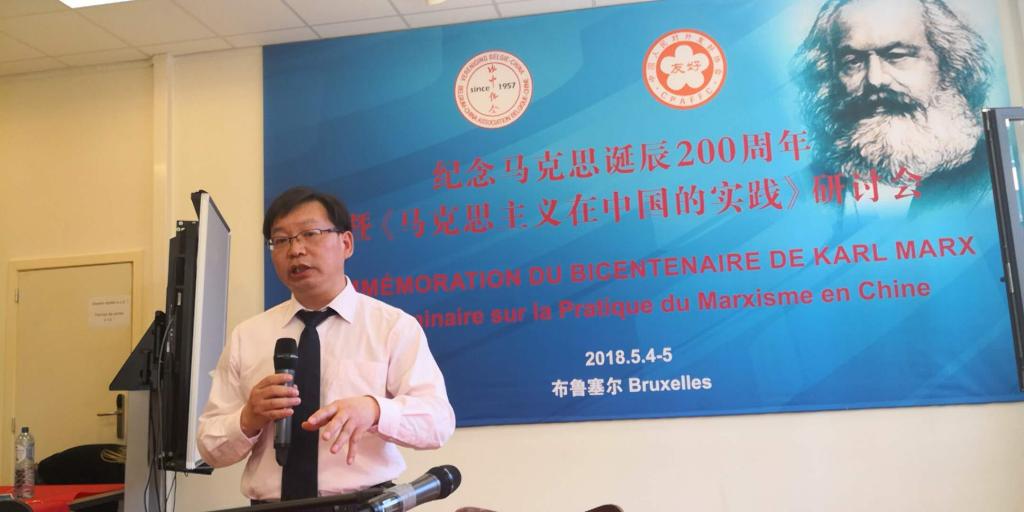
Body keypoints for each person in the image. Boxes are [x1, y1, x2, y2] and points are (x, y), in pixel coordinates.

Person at [197, 186, 455, 505]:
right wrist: (248, 418)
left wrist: (375, 409)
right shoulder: (247, 336)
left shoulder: (392, 326)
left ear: (346, 243)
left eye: (310, 234)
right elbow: (210, 447)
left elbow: (437, 423)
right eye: (281, 240)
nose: (296, 250)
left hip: (366, 505)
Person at [793, 0, 993, 216]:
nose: (875, 79)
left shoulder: (990, 178)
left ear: (948, 66)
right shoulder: (801, 191)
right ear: (829, 77)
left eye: (896, 55)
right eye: (853, 61)